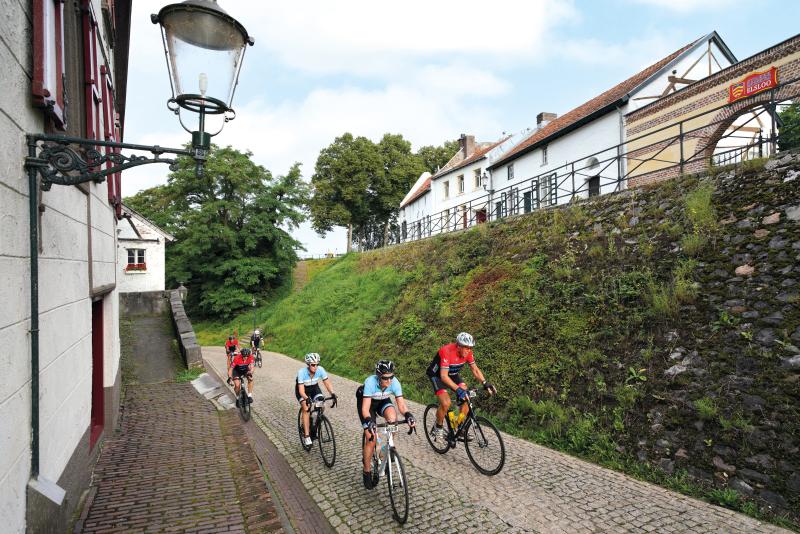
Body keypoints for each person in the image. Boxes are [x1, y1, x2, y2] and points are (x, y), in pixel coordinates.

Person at [357, 360, 415, 489]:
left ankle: (385, 450)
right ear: (378, 376)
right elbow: (365, 409)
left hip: (383, 400)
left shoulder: (395, 383)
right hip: (368, 404)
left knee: (393, 419)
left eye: (391, 377)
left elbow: (401, 404)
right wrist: (369, 422)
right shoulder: (370, 383)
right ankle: (366, 470)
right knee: (371, 439)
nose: (389, 381)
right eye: (385, 378)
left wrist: (408, 415)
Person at [425, 332, 496, 440]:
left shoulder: (468, 353)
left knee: (467, 397)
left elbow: (475, 370)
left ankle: (459, 426)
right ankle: (438, 427)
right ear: (458, 346)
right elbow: (444, 376)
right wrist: (458, 390)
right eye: (466, 348)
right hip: (437, 376)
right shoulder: (446, 351)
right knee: (446, 403)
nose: (469, 350)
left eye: (470, 348)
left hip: (452, 374)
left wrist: (485, 383)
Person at [296, 353, 337, 446]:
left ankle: (314, 423)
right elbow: (301, 391)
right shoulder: (301, 372)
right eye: (313, 365)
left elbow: (327, 383)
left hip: (314, 388)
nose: (315, 367)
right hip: (303, 390)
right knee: (306, 408)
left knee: (321, 404)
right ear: (308, 364)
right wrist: (307, 399)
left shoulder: (320, 370)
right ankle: (306, 436)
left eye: (317, 364)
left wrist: (333, 393)